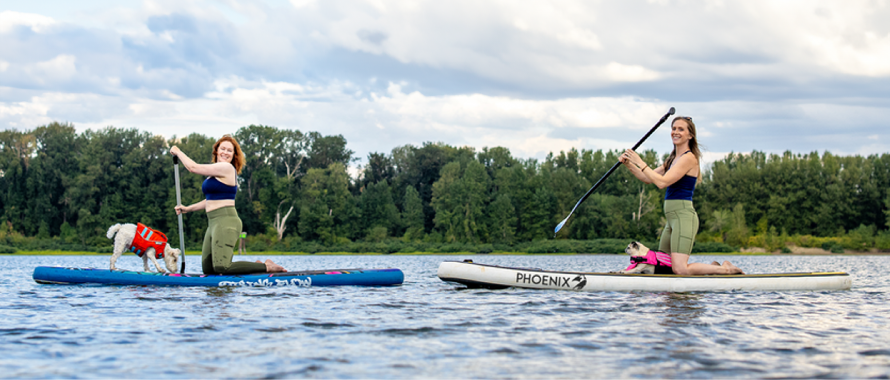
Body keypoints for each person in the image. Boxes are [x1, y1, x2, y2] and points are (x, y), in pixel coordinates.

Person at [619, 116, 744, 275]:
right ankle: (713, 268)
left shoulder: (689, 158)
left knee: (679, 268)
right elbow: (647, 178)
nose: (675, 132)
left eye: (681, 129)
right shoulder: (672, 159)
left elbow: (662, 182)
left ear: (690, 135)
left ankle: (725, 269)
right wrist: (629, 163)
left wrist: (640, 161)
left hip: (684, 217)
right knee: (664, 267)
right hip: (671, 220)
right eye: (673, 128)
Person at [170, 135, 286, 274]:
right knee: (208, 269)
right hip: (212, 223)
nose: (225, 152)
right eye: (222, 149)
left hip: (226, 221)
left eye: (229, 150)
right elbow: (210, 200)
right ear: (217, 151)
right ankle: (256, 265)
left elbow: (193, 168)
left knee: (222, 267)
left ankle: (267, 267)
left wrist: (178, 151)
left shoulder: (227, 168)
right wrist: (187, 209)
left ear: (233, 155)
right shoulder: (213, 173)